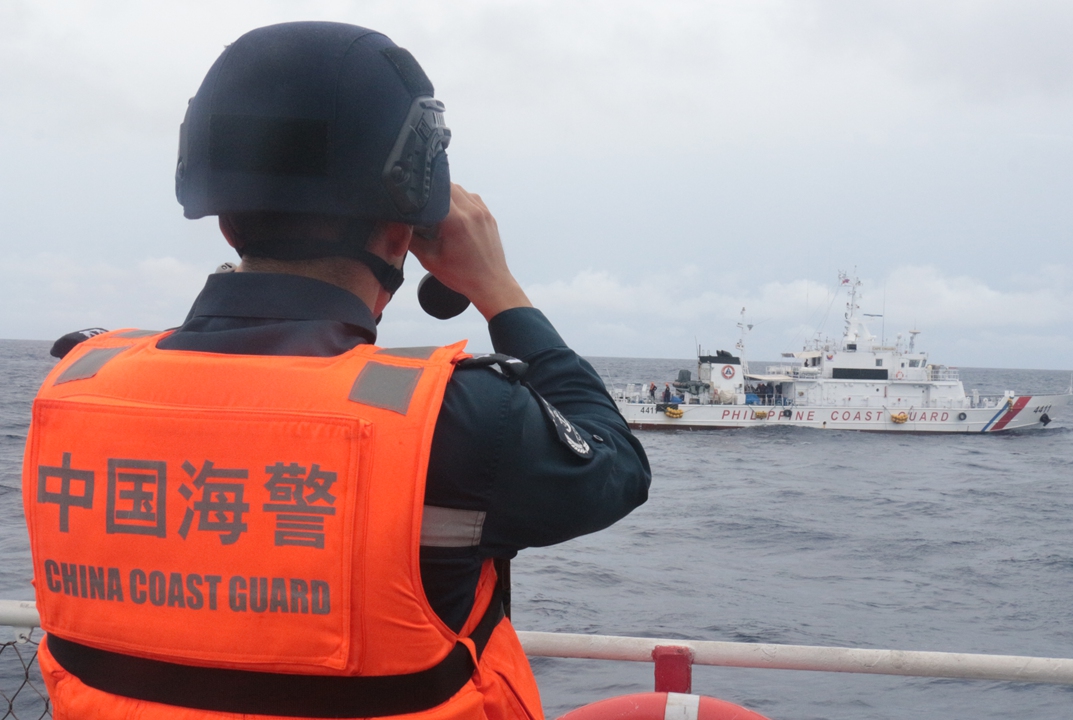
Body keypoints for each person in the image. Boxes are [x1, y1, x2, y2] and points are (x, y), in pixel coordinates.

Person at [23, 22, 650, 720]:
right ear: (397, 234)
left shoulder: (74, 388)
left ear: (227, 224)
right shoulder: (459, 421)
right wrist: (498, 289)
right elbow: (616, 466)